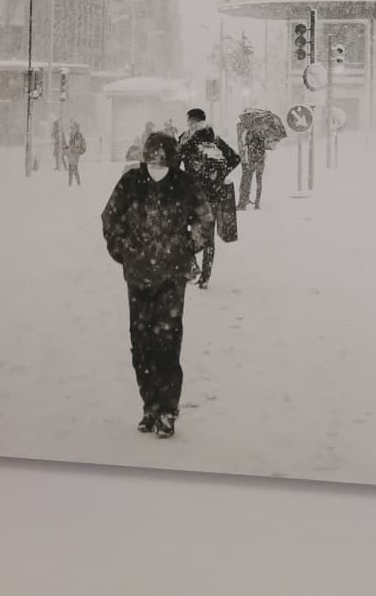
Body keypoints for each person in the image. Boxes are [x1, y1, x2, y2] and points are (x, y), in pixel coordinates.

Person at [102, 130, 213, 439]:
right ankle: (149, 405)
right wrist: (122, 251)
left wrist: (187, 247)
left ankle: (167, 409)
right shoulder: (130, 183)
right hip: (137, 277)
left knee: (167, 344)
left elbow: (205, 220)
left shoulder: (185, 185)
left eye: (163, 165)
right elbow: (110, 218)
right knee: (140, 345)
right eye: (152, 164)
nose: (156, 170)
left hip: (172, 278)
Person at [179, 121, 241, 288]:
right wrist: (219, 176)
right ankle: (205, 278)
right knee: (209, 240)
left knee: (184, 232)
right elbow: (236, 158)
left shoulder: (191, 147)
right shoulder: (217, 147)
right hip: (213, 200)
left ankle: (192, 264)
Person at [237, 118, 268, 209]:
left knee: (247, 180)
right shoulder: (263, 133)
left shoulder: (249, 132)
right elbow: (265, 148)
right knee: (259, 181)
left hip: (251, 161)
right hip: (260, 162)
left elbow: (244, 144)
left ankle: (243, 203)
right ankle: (257, 203)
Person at [64, 120, 86, 186]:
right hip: (71, 153)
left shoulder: (78, 135)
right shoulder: (72, 134)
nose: (72, 128)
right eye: (72, 127)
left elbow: (76, 145)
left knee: (73, 168)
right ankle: (76, 184)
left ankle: (73, 184)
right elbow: (71, 144)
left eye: (73, 127)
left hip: (75, 154)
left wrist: (70, 148)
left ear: (76, 127)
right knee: (73, 168)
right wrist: (67, 148)